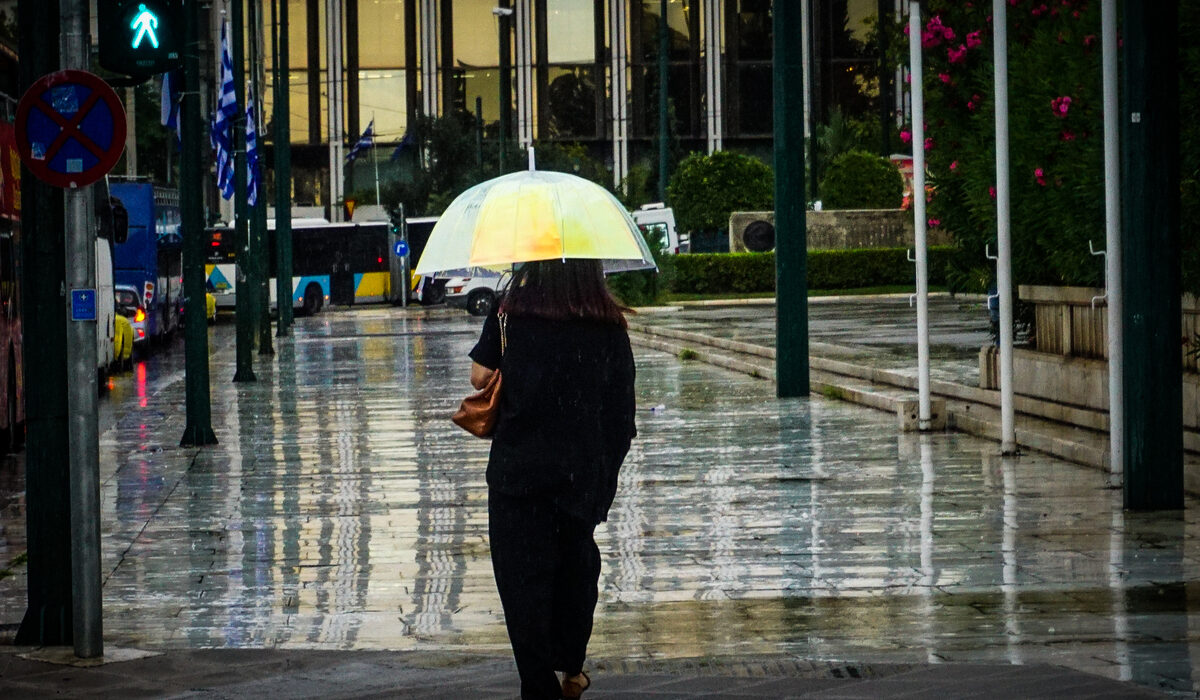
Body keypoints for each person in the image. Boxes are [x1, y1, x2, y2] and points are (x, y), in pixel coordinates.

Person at [468, 259, 637, 700]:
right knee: (574, 573)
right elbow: (621, 415)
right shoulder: (606, 324)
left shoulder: (509, 312)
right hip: (578, 476)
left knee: (521, 585)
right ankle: (572, 669)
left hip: (516, 476)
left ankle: (537, 684)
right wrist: (604, 477)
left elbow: (479, 376)